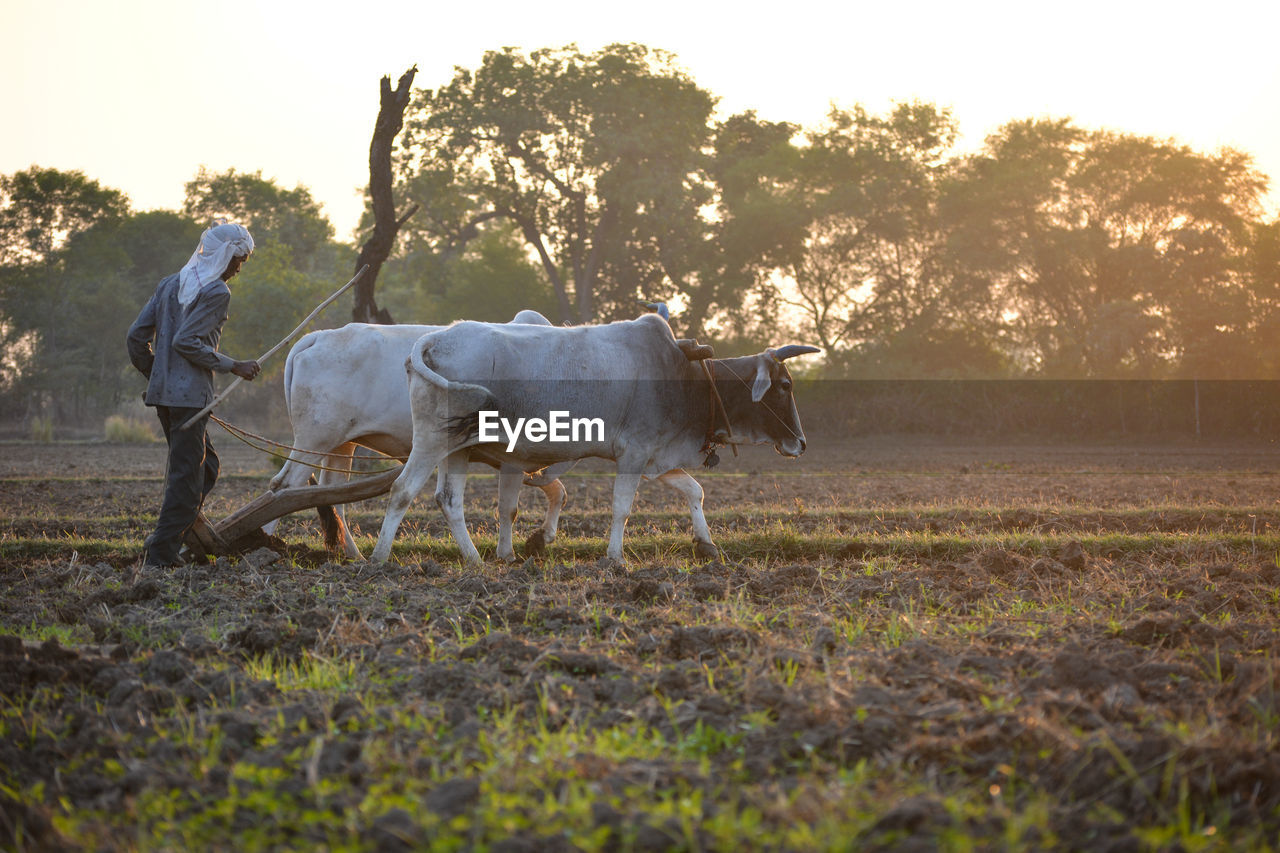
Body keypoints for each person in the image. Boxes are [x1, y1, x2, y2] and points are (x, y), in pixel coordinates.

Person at [126, 221, 261, 568]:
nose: (238, 270)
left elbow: (135, 339)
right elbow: (186, 342)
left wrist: (157, 375)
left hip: (166, 398)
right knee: (187, 481)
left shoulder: (170, 284)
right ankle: (161, 553)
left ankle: (169, 534)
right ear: (225, 257)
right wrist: (235, 365)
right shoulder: (217, 292)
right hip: (189, 401)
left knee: (207, 467)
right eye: (238, 261)